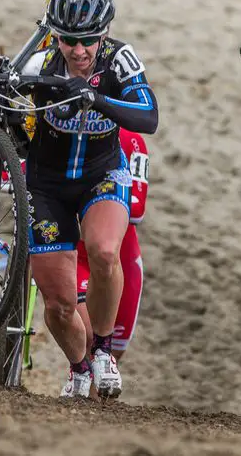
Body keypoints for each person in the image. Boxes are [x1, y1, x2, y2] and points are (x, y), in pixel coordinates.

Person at [21, 0, 158, 400]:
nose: (79, 51)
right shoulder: (41, 64)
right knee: (59, 306)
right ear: (55, 35)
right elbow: (8, 120)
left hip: (102, 174)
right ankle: (79, 367)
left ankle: (102, 351)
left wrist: (96, 98)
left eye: (89, 41)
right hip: (47, 186)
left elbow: (149, 116)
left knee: (103, 250)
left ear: (105, 33)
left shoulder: (120, 59)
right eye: (70, 41)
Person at [74, 127, 147, 369]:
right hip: (78, 255)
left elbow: (137, 210)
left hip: (120, 257)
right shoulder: (64, 131)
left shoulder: (133, 141)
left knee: (110, 358)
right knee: (84, 340)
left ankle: (80, 406)